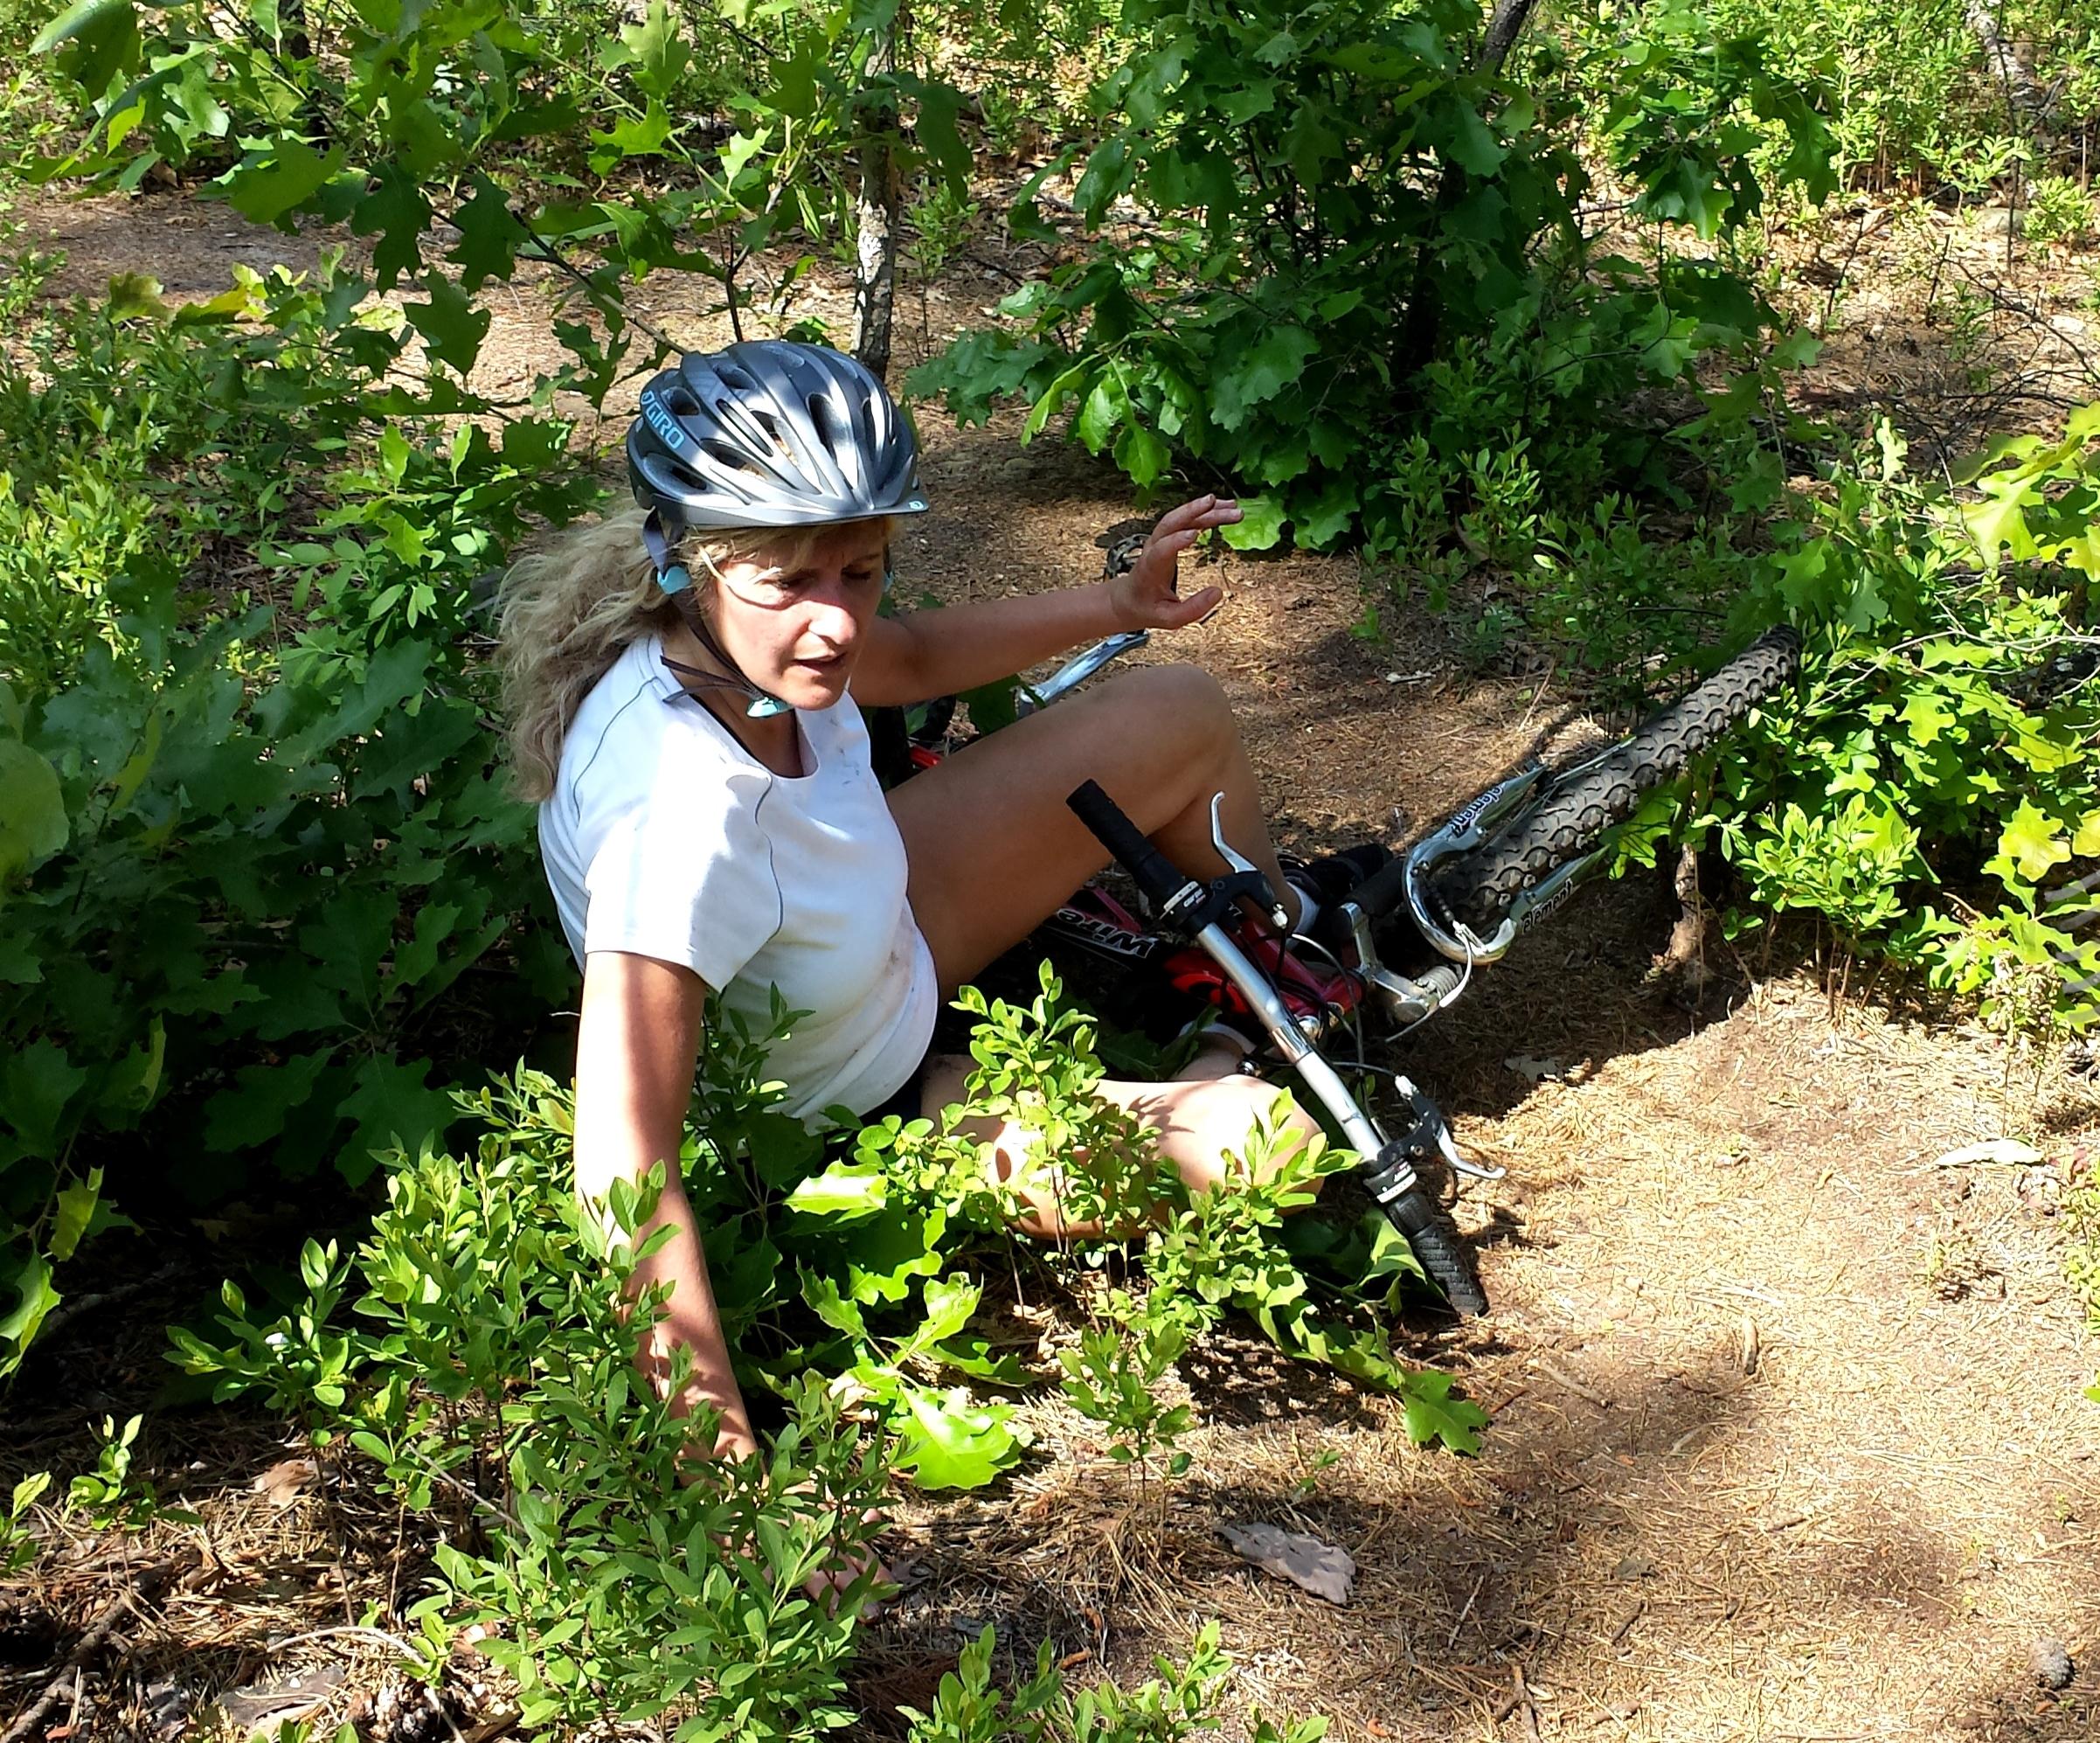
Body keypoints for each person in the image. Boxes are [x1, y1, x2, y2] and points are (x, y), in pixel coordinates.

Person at [497, 340, 1327, 1481]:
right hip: (865, 1110)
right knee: (1257, 1140)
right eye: (790, 582)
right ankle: (1224, 1052)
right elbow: (620, 1168)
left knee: (1177, 709)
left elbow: (922, 652)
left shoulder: (747, 639)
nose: (834, 623)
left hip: (879, 926)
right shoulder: (678, 815)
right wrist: (729, 1486)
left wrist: (1119, 600)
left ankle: (1278, 952)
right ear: (690, 561)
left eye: (860, 570)